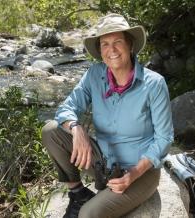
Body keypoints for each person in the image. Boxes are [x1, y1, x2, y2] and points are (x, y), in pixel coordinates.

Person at [42, 13, 174, 218]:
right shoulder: (94, 75)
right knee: (51, 131)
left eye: (117, 42)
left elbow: (164, 139)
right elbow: (66, 108)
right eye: (105, 44)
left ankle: (91, 203)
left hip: (141, 173)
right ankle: (78, 194)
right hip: (103, 163)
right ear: (100, 50)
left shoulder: (154, 84)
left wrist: (133, 175)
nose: (111, 50)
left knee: (87, 215)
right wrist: (76, 129)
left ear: (130, 45)